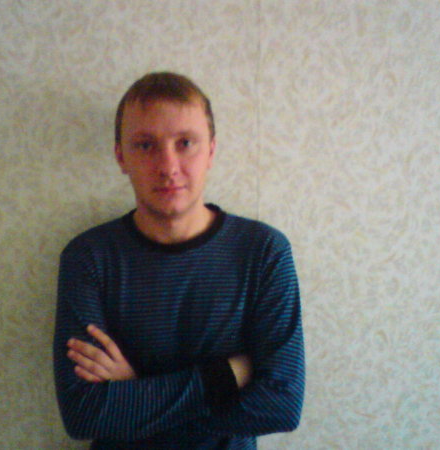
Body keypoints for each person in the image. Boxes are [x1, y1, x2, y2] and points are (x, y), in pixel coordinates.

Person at [53, 72, 305, 449]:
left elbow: (281, 406)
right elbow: (84, 413)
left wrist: (135, 392)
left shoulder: (264, 252)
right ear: (121, 156)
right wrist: (226, 376)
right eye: (145, 145)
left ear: (211, 151)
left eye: (185, 143)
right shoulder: (88, 258)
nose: (168, 166)